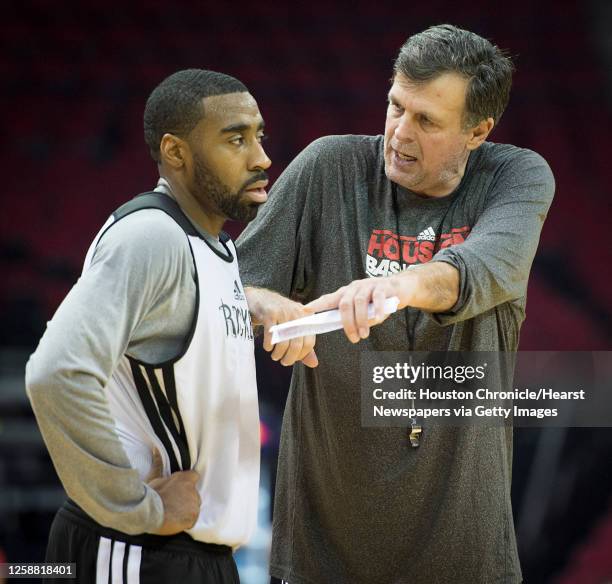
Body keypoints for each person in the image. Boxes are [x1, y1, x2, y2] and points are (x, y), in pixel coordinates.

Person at [236, 25, 554, 584]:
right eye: (395, 106)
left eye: (426, 120)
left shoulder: (517, 177)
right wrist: (275, 310)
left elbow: (478, 268)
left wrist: (393, 287)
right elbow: (231, 289)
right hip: (321, 551)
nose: (399, 132)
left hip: (466, 551)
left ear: (478, 130)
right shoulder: (327, 168)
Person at [25, 69, 271, 584]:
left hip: (193, 555)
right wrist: (137, 506)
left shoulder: (213, 244)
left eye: (259, 135)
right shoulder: (151, 237)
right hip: (137, 549)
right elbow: (56, 372)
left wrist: (257, 307)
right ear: (176, 152)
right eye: (236, 139)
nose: (261, 158)